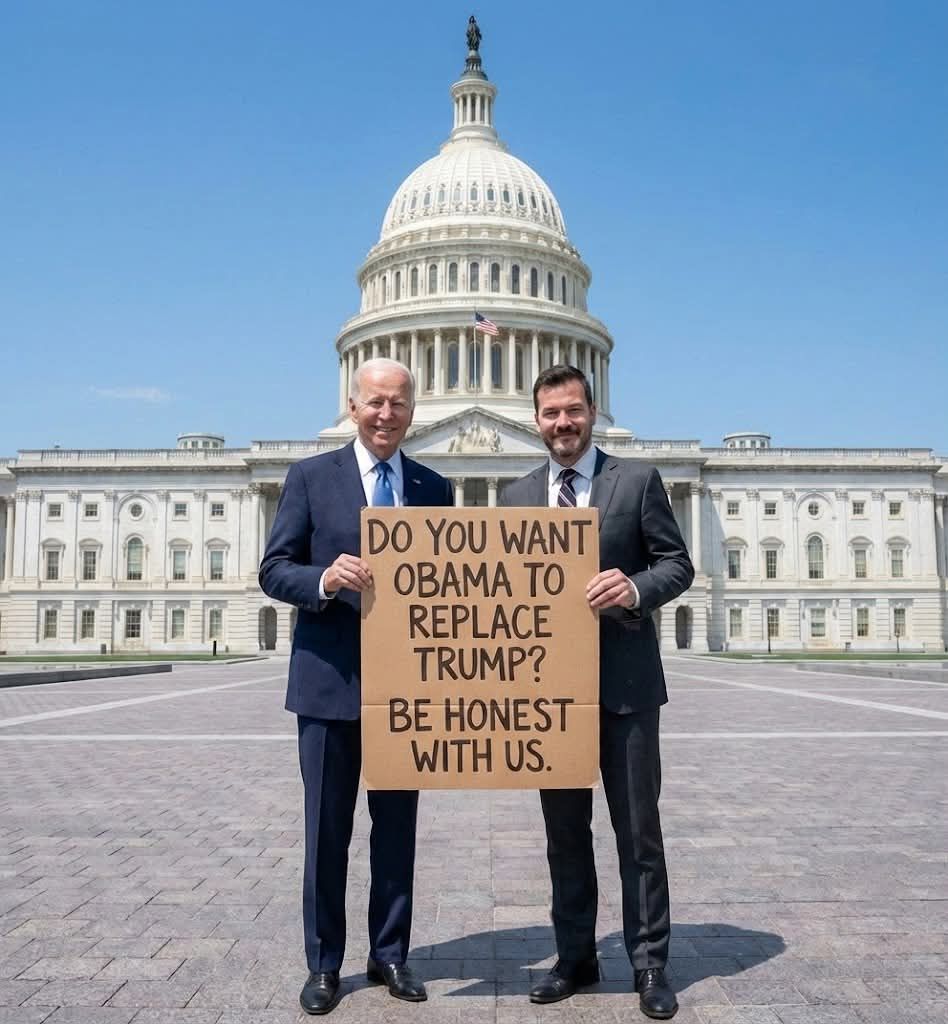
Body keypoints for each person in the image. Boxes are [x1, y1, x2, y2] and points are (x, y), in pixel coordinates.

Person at [259, 358, 453, 1015]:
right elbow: (274, 569)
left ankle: (390, 954)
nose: (385, 415)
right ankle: (324, 964)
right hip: (330, 682)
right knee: (327, 832)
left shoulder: (434, 486)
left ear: (412, 410)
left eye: (398, 403)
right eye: (375, 402)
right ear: (352, 404)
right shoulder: (311, 478)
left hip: (406, 687)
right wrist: (324, 578)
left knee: (396, 830)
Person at [499, 364, 693, 1020]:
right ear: (536, 420)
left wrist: (634, 588)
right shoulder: (516, 496)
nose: (563, 423)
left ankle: (649, 964)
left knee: (638, 833)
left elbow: (676, 563)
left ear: (592, 411)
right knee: (564, 835)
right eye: (551, 413)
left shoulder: (635, 481)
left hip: (625, 687)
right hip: (549, 692)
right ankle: (576, 956)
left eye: (573, 411)